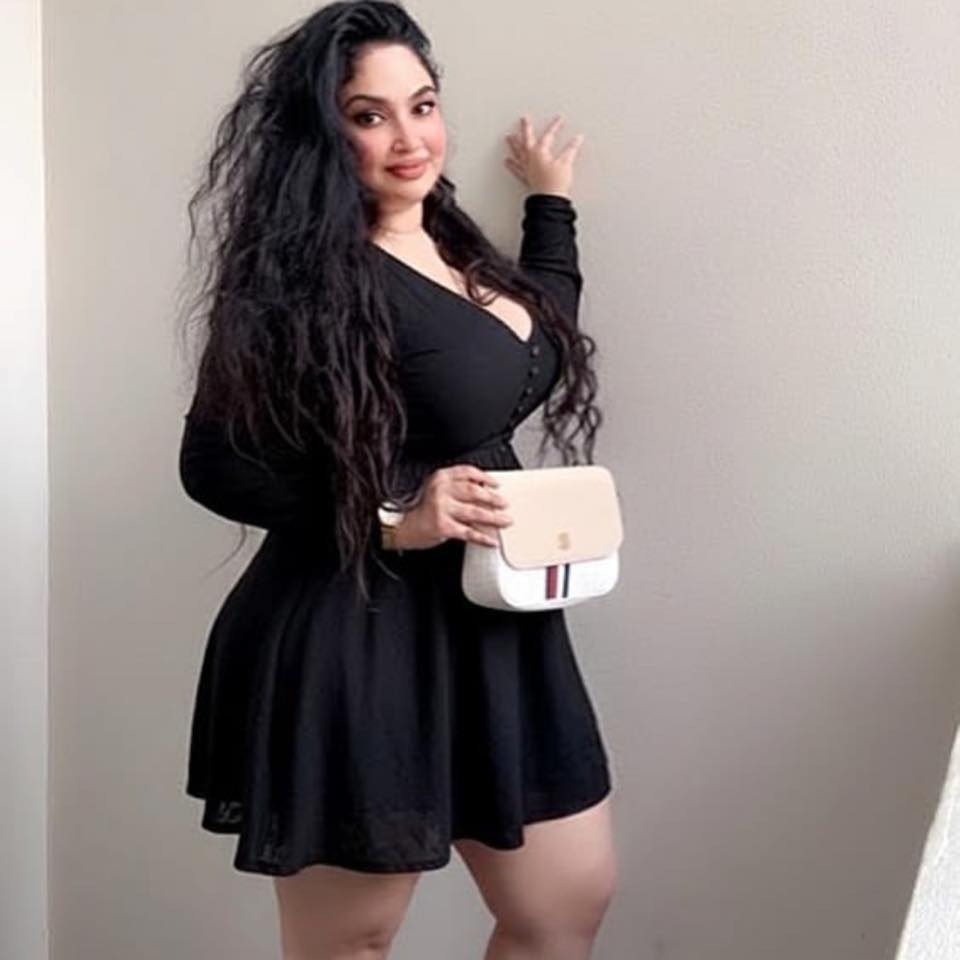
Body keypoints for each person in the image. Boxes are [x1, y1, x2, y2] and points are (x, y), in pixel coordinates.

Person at [176, 2, 618, 957]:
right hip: (360, 634)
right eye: (369, 116)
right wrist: (389, 518)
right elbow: (211, 464)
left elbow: (532, 343)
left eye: (422, 105)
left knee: (565, 906)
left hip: (496, 625)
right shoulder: (305, 281)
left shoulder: (453, 243)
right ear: (323, 135)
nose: (409, 138)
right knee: (353, 943)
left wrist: (550, 206)